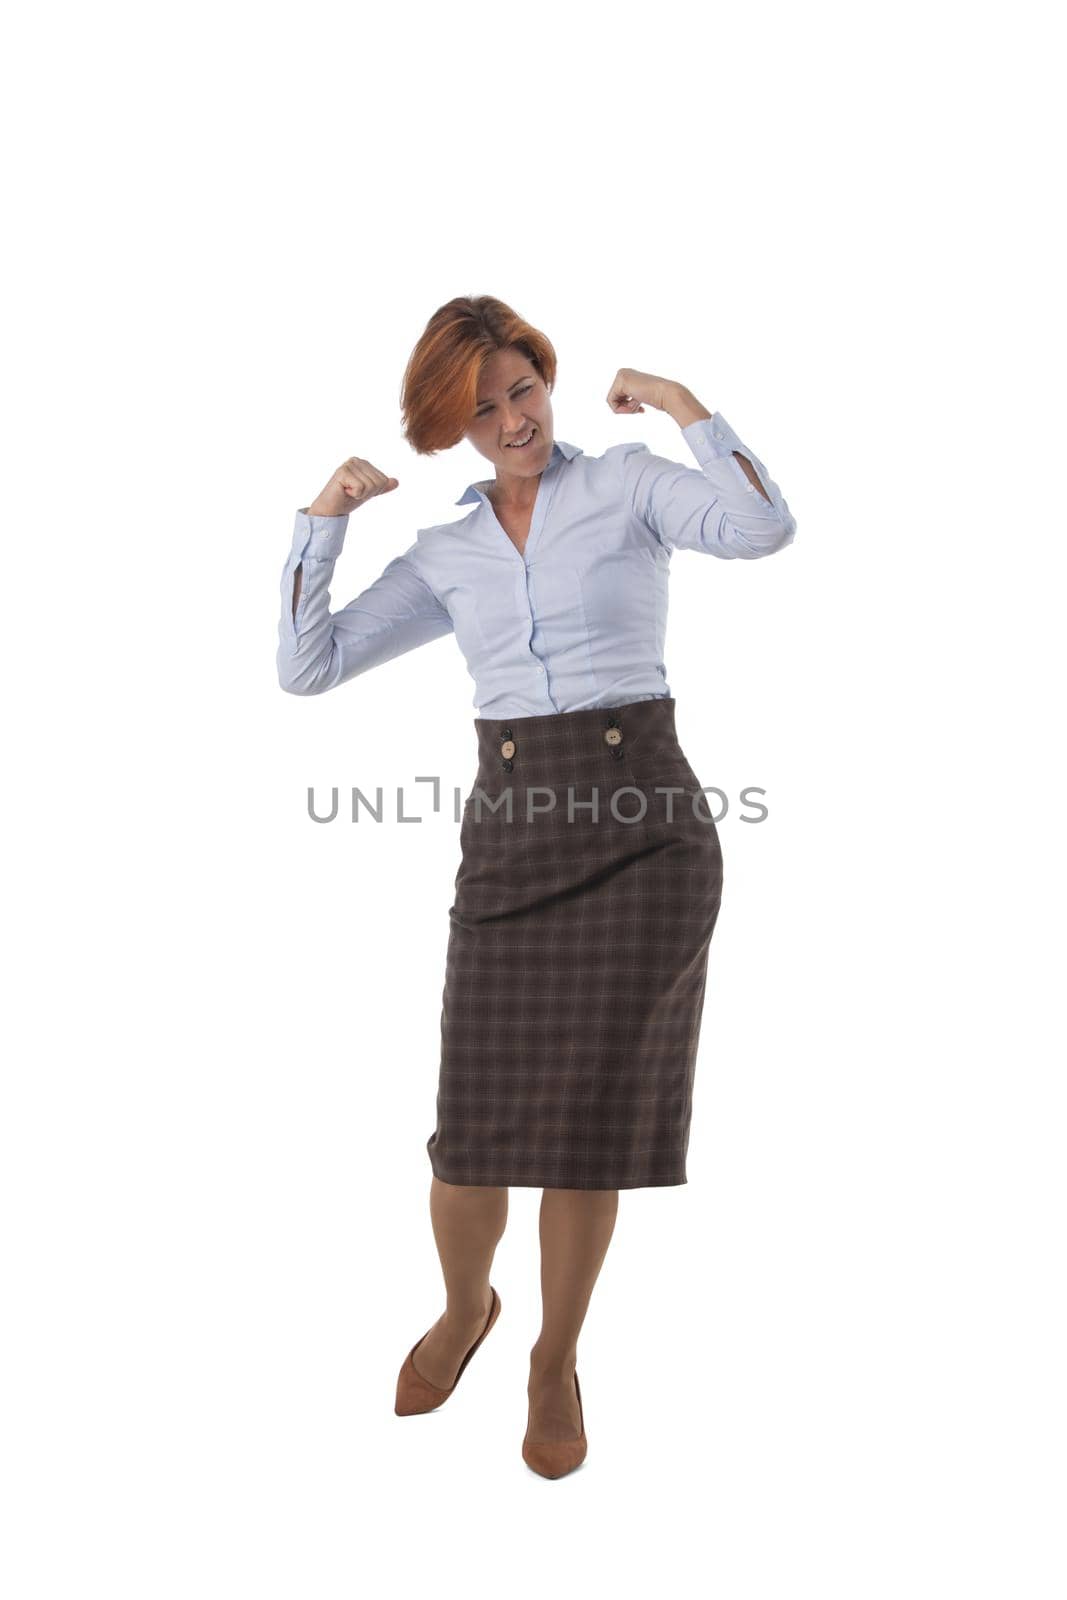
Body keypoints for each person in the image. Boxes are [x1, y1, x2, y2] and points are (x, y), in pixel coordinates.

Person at [277, 296, 797, 1478]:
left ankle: (555, 1354)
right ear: (446, 424)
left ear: (544, 381)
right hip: (511, 833)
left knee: (585, 1141)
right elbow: (306, 669)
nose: (512, 420)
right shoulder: (444, 554)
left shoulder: (625, 487)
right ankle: (467, 1309)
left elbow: (764, 529)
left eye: (522, 390)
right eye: (482, 407)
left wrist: (679, 405)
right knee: (467, 1138)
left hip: (644, 831)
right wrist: (322, 522)